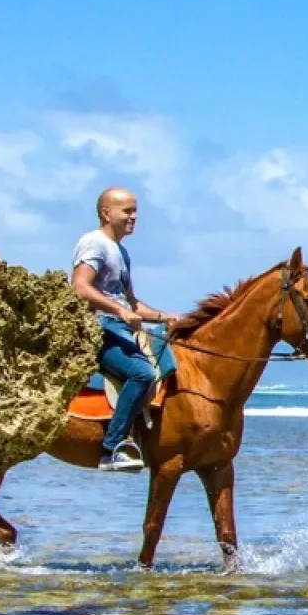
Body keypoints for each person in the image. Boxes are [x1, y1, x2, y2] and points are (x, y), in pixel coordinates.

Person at [71, 187, 180, 473]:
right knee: (141, 373)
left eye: (135, 211)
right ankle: (112, 449)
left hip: (119, 324)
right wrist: (119, 311)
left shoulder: (121, 251)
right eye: (127, 211)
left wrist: (163, 316)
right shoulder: (94, 243)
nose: (134, 217)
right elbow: (80, 287)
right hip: (100, 327)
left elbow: (131, 303)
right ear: (106, 213)